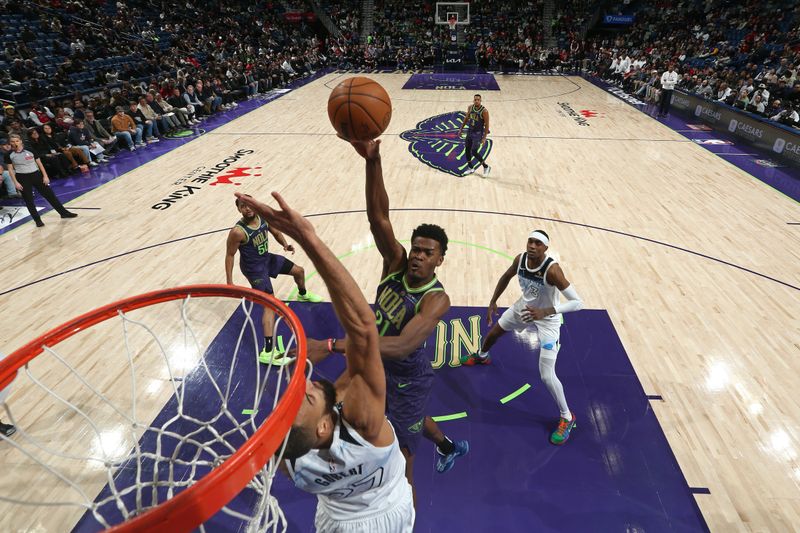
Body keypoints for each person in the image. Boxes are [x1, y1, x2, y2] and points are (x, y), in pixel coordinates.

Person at [235, 191, 414, 532]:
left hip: (334, 522)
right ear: (322, 427)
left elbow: (293, 430)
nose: (309, 382)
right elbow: (363, 330)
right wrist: (308, 238)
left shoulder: (293, 463)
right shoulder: (366, 425)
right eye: (308, 395)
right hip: (388, 513)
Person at [300, 139, 468, 502]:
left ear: (440, 260)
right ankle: (448, 445)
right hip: (375, 362)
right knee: (340, 405)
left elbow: (404, 345)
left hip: (408, 376)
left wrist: (334, 345)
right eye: (417, 249)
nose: (418, 257)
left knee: (402, 462)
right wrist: (372, 162)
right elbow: (378, 218)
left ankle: (404, 515)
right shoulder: (395, 262)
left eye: (428, 253)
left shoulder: (437, 299)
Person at [460, 230, 584, 445]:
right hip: (523, 309)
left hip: (548, 320)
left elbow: (577, 302)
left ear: (545, 248)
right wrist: (493, 301)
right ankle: (482, 356)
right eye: (530, 241)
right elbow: (506, 276)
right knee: (494, 333)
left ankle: (567, 417)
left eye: (538, 243)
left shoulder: (552, 270)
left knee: (546, 375)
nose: (532, 246)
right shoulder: (520, 259)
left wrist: (546, 311)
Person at [225, 194, 322, 363]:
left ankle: (303, 293)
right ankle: (267, 352)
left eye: (249, 204)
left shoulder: (262, 218)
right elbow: (230, 255)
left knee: (299, 271)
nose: (247, 208)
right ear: (238, 209)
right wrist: (229, 282)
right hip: (254, 269)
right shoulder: (238, 232)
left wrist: (284, 245)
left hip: (267, 259)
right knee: (269, 304)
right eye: (243, 206)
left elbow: (275, 232)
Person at [3, 134, 77, 227]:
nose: (15, 143)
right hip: (22, 178)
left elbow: (39, 163)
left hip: (36, 175)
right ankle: (37, 220)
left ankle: (63, 213)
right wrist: (15, 183)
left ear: (21, 141)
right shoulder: (9, 154)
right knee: (29, 200)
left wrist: (45, 176)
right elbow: (10, 170)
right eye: (12, 141)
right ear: (10, 143)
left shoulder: (30, 150)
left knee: (50, 195)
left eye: (16, 141)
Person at [457, 94, 491, 177]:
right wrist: (461, 128)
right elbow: (466, 118)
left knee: (474, 151)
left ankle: (486, 167)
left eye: (478, 100)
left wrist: (484, 138)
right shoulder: (470, 107)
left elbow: (487, 125)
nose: (476, 101)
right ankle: (470, 167)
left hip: (478, 133)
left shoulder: (484, 111)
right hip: (470, 131)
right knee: (467, 149)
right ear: (473, 100)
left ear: (480, 101)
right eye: (475, 99)